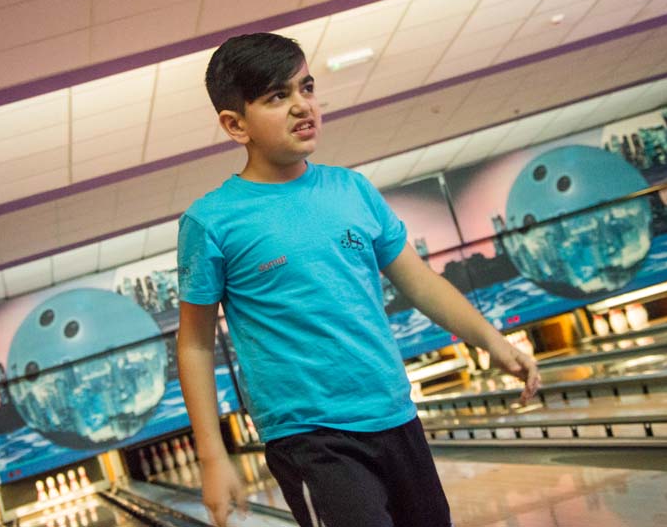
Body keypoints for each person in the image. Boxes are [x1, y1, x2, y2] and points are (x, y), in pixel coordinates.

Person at [176, 33, 540, 527]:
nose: (302, 106)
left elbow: (419, 281)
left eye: (306, 88)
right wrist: (213, 457)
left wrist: (491, 340)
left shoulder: (352, 189)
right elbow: (195, 344)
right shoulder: (212, 222)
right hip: (310, 437)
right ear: (235, 124)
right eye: (278, 96)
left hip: (395, 414)